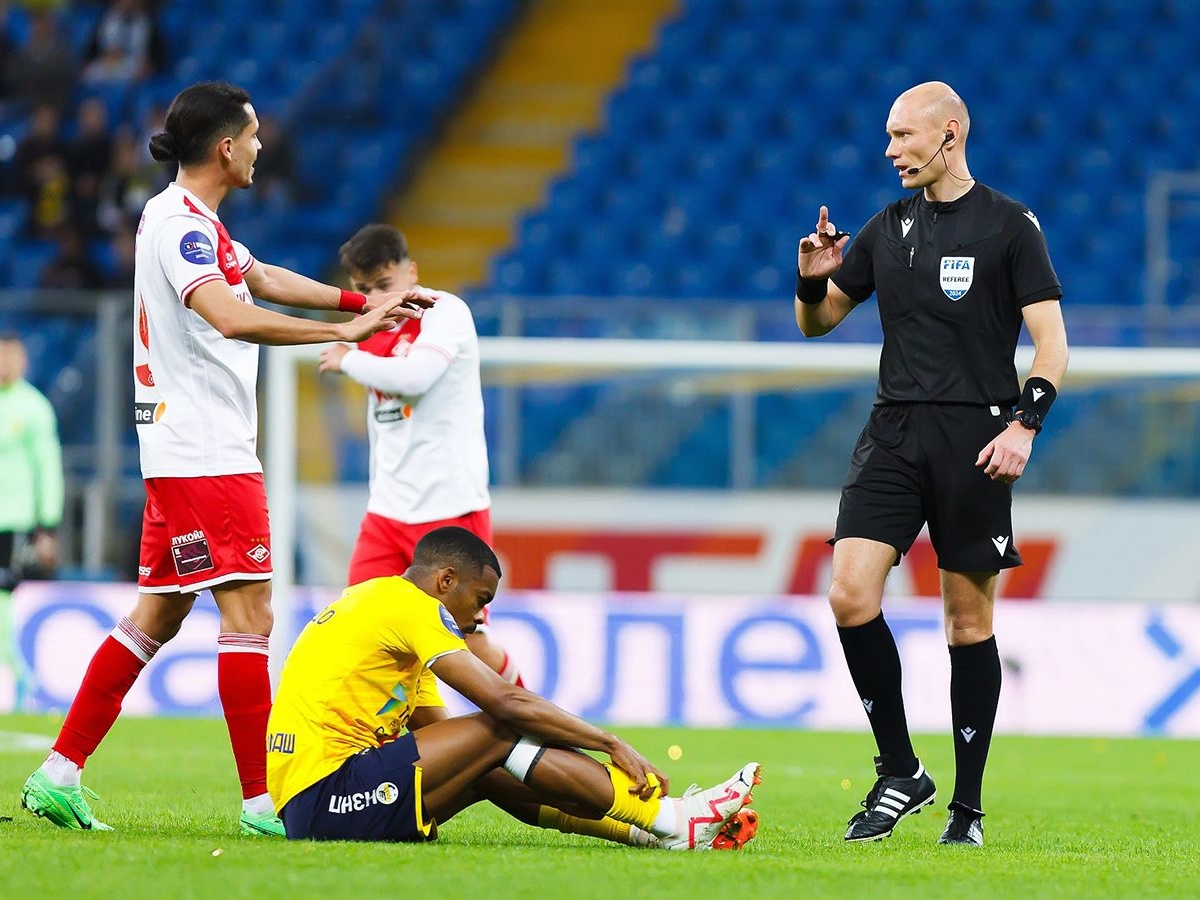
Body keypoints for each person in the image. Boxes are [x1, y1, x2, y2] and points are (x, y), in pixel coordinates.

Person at [20, 81, 435, 837]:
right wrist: (342, 338)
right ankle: (262, 801)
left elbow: (263, 278)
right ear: (224, 147)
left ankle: (58, 772)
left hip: (186, 447)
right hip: (205, 449)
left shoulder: (193, 222)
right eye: (252, 135)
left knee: (157, 615)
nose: (260, 146)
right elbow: (231, 314)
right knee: (250, 613)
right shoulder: (179, 226)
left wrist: (358, 309)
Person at [793, 82, 1068, 847]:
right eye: (887, 137)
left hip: (976, 437)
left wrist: (1026, 424)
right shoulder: (887, 227)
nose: (889, 151)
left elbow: (1052, 343)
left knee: (967, 620)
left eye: (902, 136)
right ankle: (901, 771)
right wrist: (814, 275)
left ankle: (968, 811)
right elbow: (816, 324)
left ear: (949, 135)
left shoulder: (1011, 227)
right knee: (850, 594)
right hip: (892, 432)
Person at [267, 526, 761, 849]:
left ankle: (649, 831)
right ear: (445, 580)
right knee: (501, 729)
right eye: (480, 598)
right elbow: (503, 704)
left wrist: (552, 746)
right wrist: (609, 743)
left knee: (490, 760)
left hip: (320, 803)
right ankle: (674, 819)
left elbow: (453, 738)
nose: (482, 615)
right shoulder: (408, 607)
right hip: (327, 796)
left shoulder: (379, 608)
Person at [318, 224, 523, 687]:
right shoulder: (371, 323)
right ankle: (397, 750)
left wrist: (345, 358)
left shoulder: (445, 312)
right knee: (360, 630)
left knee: (467, 645)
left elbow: (417, 376)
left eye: (385, 286)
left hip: (449, 511)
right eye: (364, 290)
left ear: (411, 273)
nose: (377, 298)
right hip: (387, 513)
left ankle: (536, 725)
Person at [0, 333, 64, 710]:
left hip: (14, 522)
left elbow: (48, 469)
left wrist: (47, 527)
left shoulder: (34, 408)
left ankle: (23, 677)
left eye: (13, 357)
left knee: (3, 600)